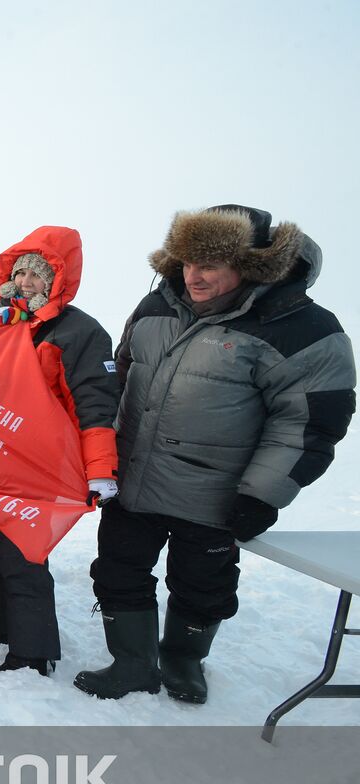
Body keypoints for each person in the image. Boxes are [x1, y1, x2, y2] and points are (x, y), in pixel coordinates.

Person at [80, 205, 355, 704]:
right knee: (118, 570)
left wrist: (262, 495)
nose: (194, 276)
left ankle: (184, 660)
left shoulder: (302, 327)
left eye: (209, 264)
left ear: (251, 266)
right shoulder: (155, 306)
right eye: (186, 262)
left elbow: (308, 422)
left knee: (204, 584)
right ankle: (132, 662)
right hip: (133, 477)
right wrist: (97, 457)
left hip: (215, 492)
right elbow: (119, 379)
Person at [0, 227, 120, 677]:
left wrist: (100, 469)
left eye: (37, 275)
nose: (26, 282)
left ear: (55, 281)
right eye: (20, 271)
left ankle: (32, 652)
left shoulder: (79, 331)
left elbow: (95, 406)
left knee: (21, 555)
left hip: (36, 466)